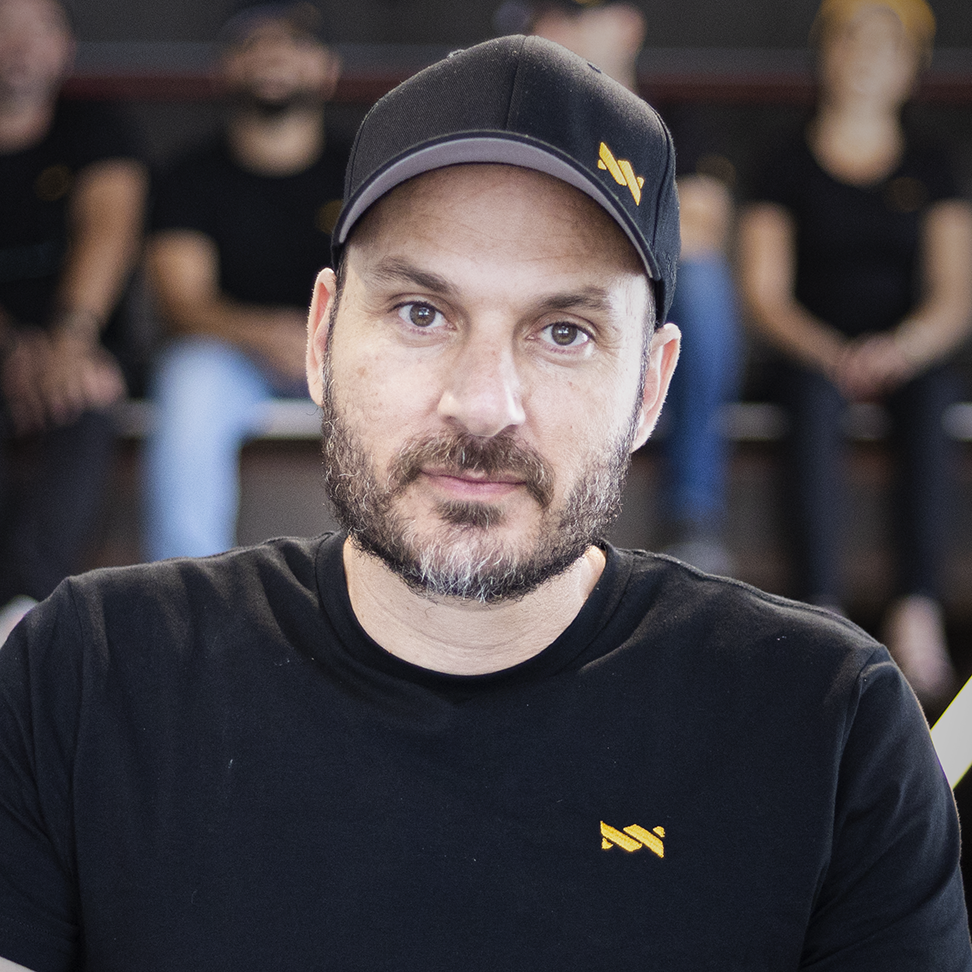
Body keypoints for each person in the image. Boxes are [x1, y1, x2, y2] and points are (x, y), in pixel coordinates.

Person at [1, 34, 970, 971]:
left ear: (651, 387)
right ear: (321, 338)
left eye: (564, 331)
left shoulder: (827, 732)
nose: (483, 404)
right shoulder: (85, 681)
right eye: (422, 313)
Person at [738, 0, 972, 707]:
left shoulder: (931, 165)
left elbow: (954, 294)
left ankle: (918, 606)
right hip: (810, 352)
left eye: (885, 46)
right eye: (852, 41)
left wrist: (901, 348)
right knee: (809, 397)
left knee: (933, 395)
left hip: (907, 355)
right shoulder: (784, 162)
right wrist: (832, 352)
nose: (867, 58)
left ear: (912, 68)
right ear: (826, 53)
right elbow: (765, 294)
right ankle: (821, 612)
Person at [512, 0, 742, 573]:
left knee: (704, 283)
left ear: (626, 26)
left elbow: (704, 229)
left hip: (646, 298)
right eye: (543, 15)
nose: (550, 29)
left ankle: (693, 514)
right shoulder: (523, 120)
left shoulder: (675, 119)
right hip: (553, 297)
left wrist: (595, 238)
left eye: (572, 12)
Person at [143, 0, 346, 561]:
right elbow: (182, 305)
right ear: (224, 68)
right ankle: (183, 589)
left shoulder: (365, 169)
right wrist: (267, 334)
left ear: (328, 70)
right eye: (254, 43)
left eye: (293, 42)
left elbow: (397, 286)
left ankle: (398, 585)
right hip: (234, 359)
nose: (273, 56)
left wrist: (321, 341)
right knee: (189, 377)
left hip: (343, 350)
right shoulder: (190, 175)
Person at [0, 0, 147, 637]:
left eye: (37, 30)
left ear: (66, 47)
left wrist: (69, 338)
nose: (18, 46)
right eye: (2, 30)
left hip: (84, 347)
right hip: (10, 348)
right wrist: (12, 349)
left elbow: (108, 229)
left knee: (88, 394)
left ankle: (23, 607)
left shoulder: (95, 125)